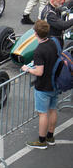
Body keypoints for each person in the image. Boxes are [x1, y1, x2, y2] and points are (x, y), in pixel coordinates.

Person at [21, 20, 59, 149]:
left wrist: (27, 69)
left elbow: (39, 71)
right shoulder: (54, 43)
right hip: (55, 83)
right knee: (53, 110)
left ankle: (41, 141)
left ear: (35, 33)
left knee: (43, 113)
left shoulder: (39, 50)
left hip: (43, 86)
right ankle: (50, 136)